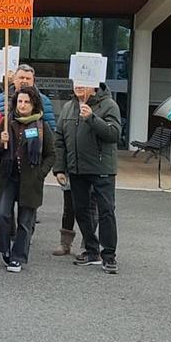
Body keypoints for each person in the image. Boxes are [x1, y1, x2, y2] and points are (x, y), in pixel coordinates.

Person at [54, 82, 122, 274]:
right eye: (76, 83)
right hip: (77, 169)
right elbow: (59, 139)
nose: (78, 87)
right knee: (80, 209)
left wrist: (91, 118)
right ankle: (92, 250)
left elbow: (114, 134)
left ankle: (109, 255)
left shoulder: (109, 105)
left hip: (102, 168)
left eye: (83, 83)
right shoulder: (68, 107)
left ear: (94, 85)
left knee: (106, 211)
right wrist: (60, 168)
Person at [0, 86, 56, 273]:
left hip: (30, 180)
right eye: (20, 101)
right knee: (1, 214)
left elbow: (51, 155)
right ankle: (5, 249)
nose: (23, 105)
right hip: (7, 176)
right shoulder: (5, 122)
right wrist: (0, 143)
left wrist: (40, 173)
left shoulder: (42, 126)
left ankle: (18, 257)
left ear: (33, 103)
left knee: (26, 222)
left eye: (27, 101)